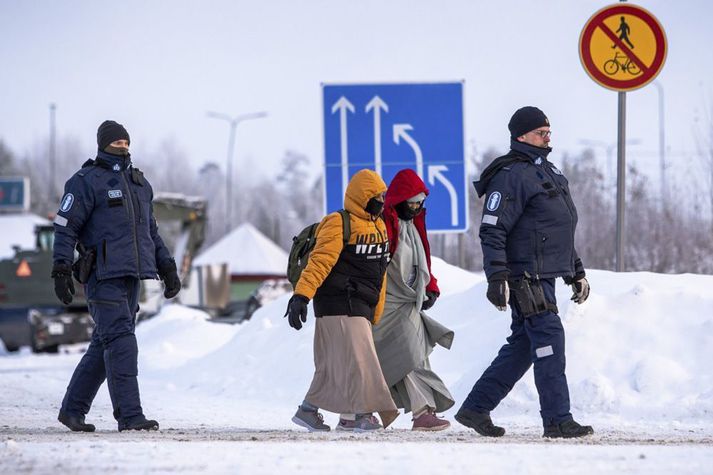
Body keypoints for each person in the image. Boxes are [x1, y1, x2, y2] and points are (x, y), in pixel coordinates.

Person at [455, 106, 593, 439]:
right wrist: (497, 277)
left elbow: (558, 229)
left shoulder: (550, 172)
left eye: (549, 131)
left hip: (546, 272)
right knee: (549, 337)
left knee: (522, 345)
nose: (548, 137)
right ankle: (558, 420)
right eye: (540, 133)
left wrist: (576, 272)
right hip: (524, 275)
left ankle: (476, 408)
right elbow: (492, 230)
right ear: (521, 136)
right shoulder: (511, 176)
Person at [52, 120, 181, 432]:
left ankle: (72, 410)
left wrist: (167, 267)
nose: (122, 146)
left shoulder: (139, 184)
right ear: (102, 144)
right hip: (102, 275)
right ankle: (130, 415)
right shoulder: (85, 181)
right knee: (122, 341)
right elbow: (65, 227)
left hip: (132, 275)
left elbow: (150, 232)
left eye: (125, 142)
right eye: (116, 142)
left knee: (104, 343)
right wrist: (61, 267)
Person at [285, 168, 399, 432]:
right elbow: (320, 261)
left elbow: (380, 273)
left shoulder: (379, 225)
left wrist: (376, 310)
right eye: (377, 196)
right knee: (362, 362)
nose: (382, 201)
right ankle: (362, 415)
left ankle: (315, 412)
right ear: (362, 196)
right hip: (338, 303)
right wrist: (301, 296)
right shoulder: (338, 222)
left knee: (337, 366)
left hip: (361, 305)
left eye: (383, 196)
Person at [372, 168, 455, 431]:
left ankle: (421, 412)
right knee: (407, 354)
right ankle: (419, 412)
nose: (417, 207)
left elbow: (422, 261)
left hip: (410, 303)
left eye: (421, 203)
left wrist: (431, 286)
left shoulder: (414, 225)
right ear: (399, 199)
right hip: (386, 304)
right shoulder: (385, 224)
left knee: (414, 355)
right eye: (413, 202)